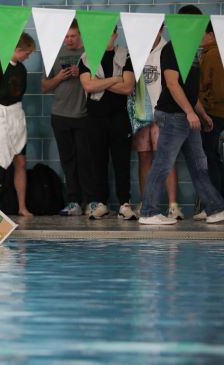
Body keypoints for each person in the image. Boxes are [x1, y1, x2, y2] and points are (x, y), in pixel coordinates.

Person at [139, 5, 224, 225]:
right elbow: (172, 84)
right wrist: (189, 113)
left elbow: (189, 91)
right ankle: (148, 212)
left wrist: (202, 114)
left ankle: (215, 208)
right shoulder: (173, 48)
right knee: (163, 164)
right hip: (173, 116)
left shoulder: (190, 51)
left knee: (199, 165)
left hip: (186, 117)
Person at [78, 26, 135, 220]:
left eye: (108, 34)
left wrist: (101, 82)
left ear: (115, 35)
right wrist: (114, 79)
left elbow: (128, 87)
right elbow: (87, 85)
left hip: (119, 117)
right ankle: (101, 203)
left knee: (122, 162)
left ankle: (124, 203)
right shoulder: (86, 58)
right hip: (94, 118)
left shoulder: (125, 56)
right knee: (98, 162)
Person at [128, 27, 183, 220]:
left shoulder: (168, 50)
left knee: (167, 159)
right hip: (142, 112)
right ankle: (146, 202)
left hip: (164, 111)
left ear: (161, 29)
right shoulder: (136, 51)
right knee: (144, 158)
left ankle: (173, 205)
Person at [0, 32, 36, 217]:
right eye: (27, 53)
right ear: (18, 50)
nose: (28, 56)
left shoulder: (21, 69)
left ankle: (21, 206)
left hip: (16, 116)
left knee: (20, 160)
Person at [41, 19, 92, 216]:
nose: (69, 40)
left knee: (86, 161)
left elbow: (98, 81)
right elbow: (45, 87)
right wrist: (59, 77)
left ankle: (90, 201)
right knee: (68, 161)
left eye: (72, 36)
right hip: (60, 115)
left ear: (79, 36)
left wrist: (82, 73)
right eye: (66, 36)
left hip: (84, 115)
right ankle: (73, 201)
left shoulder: (88, 54)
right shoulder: (53, 55)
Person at [196, 24, 224, 220]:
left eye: (201, 34)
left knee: (211, 160)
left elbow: (214, 87)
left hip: (214, 114)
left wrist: (204, 107)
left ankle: (216, 204)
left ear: (211, 35)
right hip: (214, 112)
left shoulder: (213, 54)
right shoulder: (210, 53)